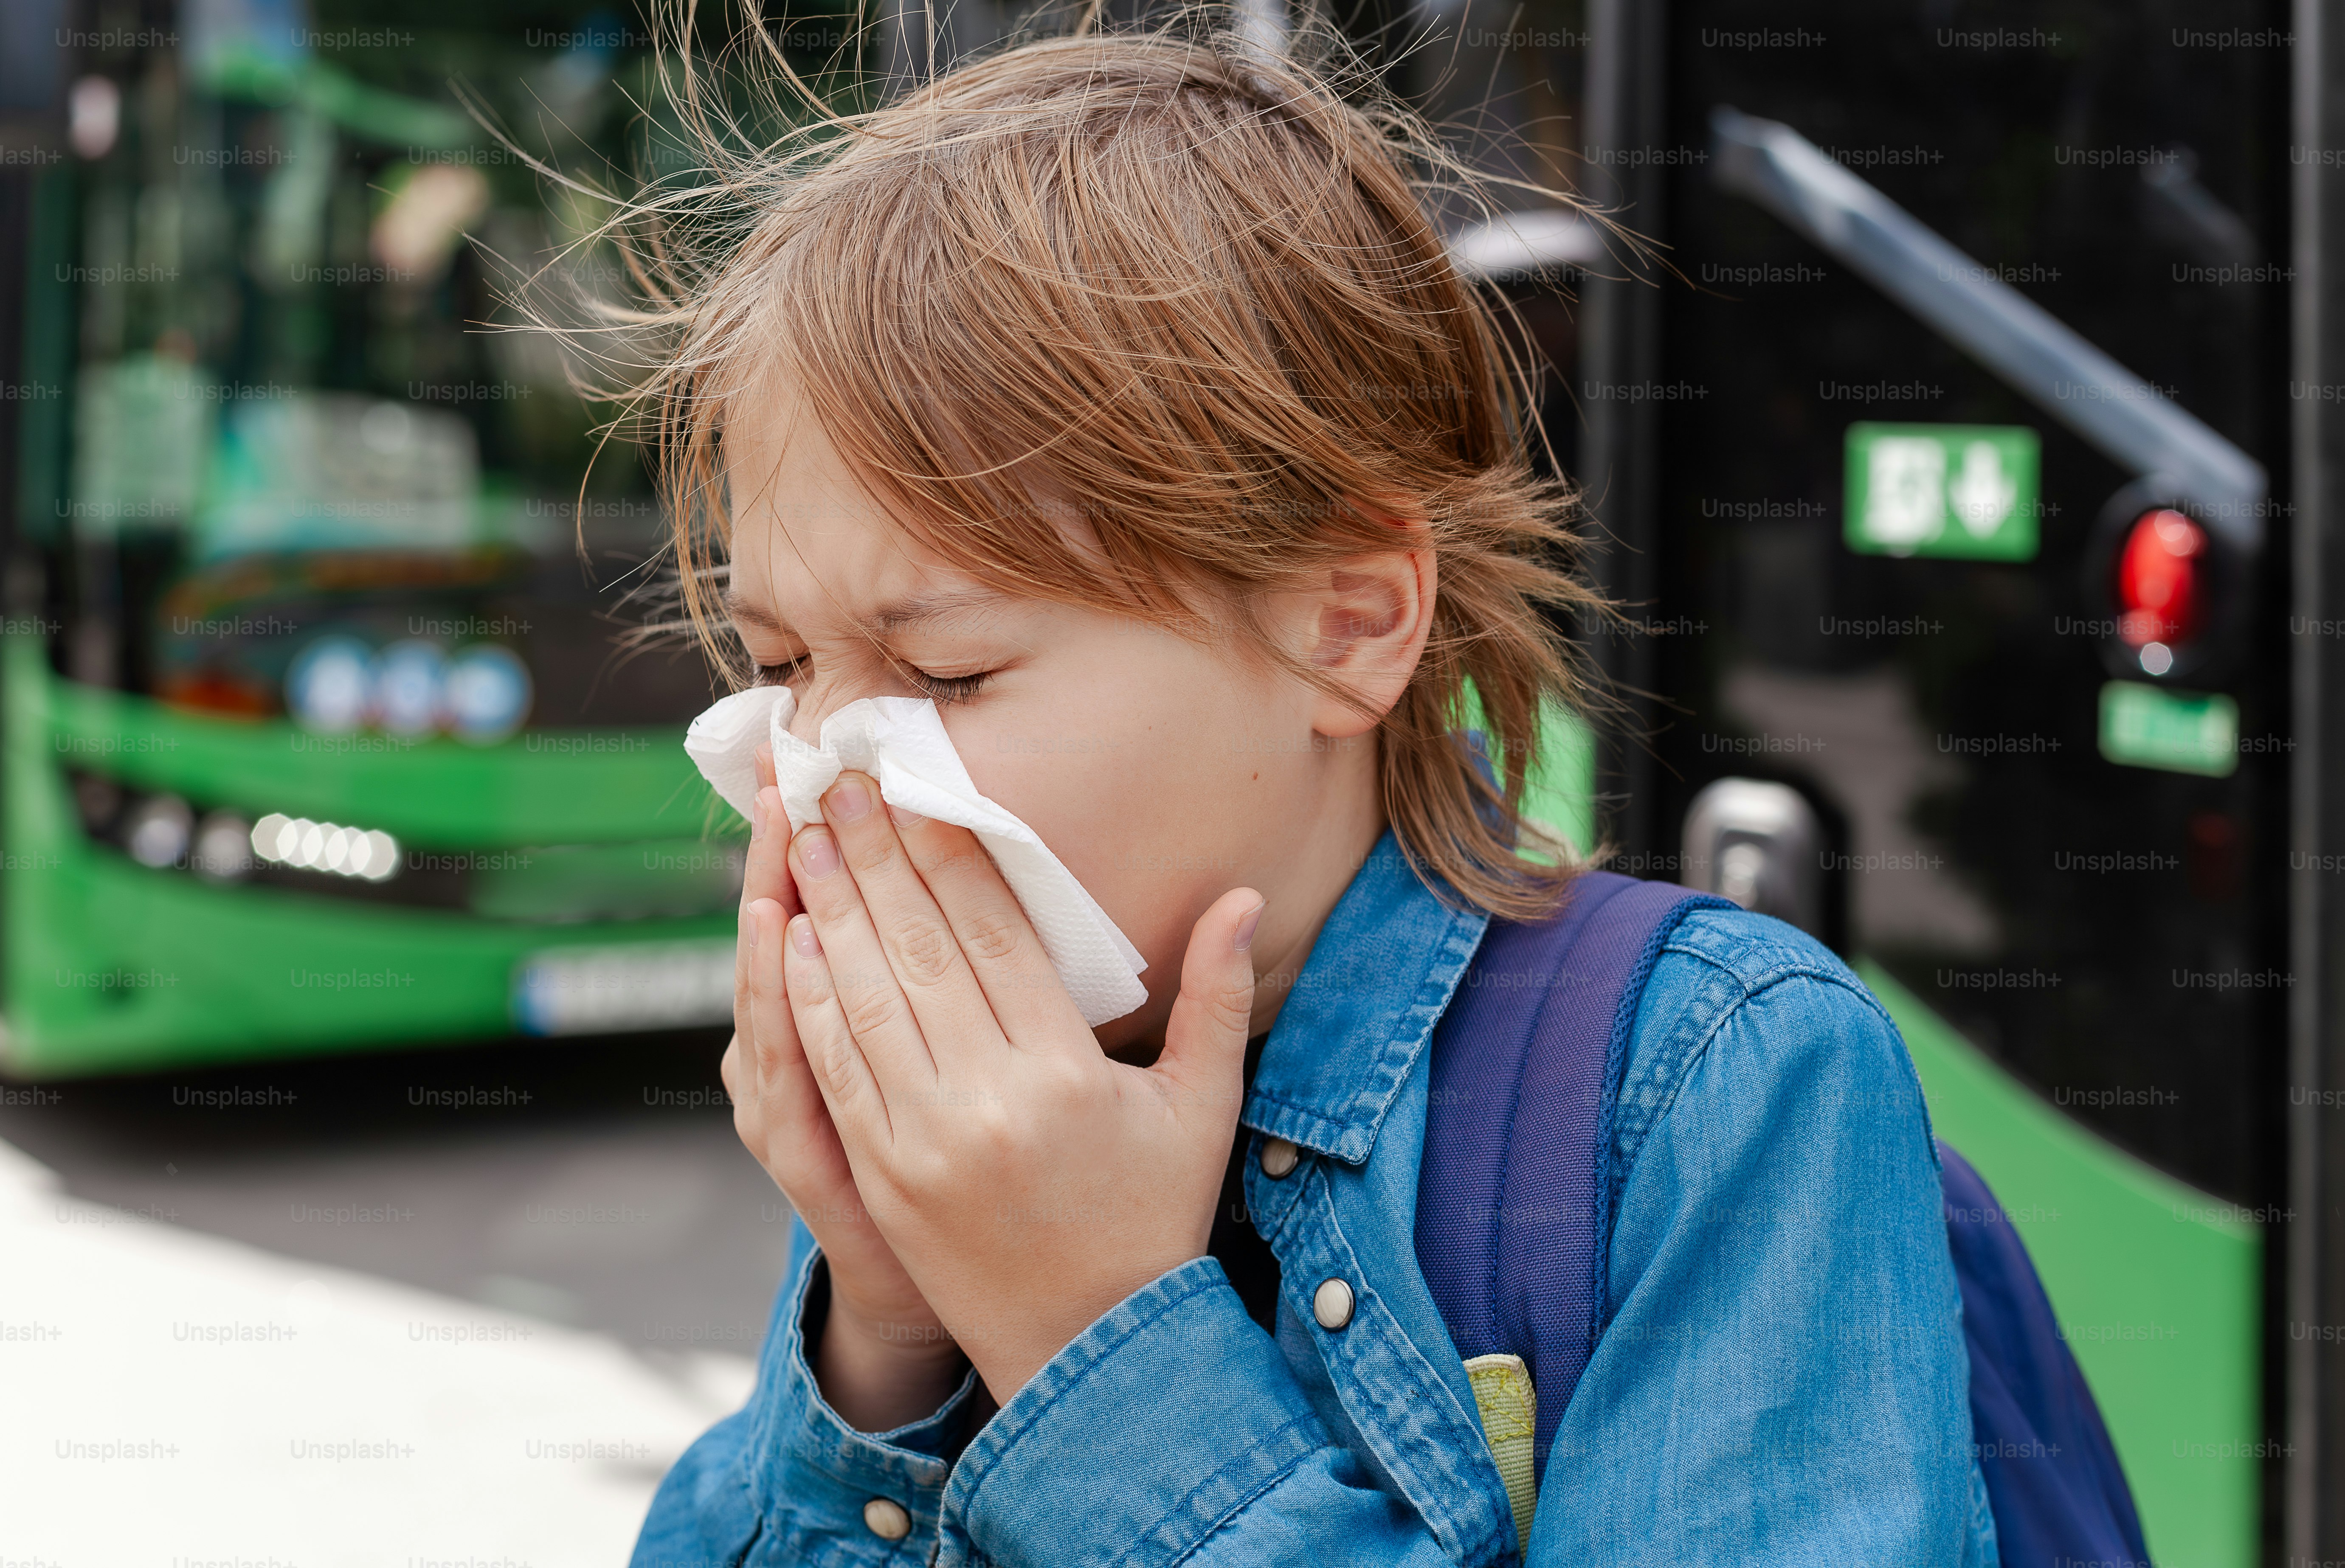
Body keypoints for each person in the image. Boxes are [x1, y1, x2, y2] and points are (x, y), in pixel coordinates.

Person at [599, 15, 1994, 1564]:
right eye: (783, 665)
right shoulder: (960, 1117)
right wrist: (885, 1326)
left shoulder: (1714, 1086)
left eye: (947, 675)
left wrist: (1091, 1338)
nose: (835, 777)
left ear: (1348, 626)